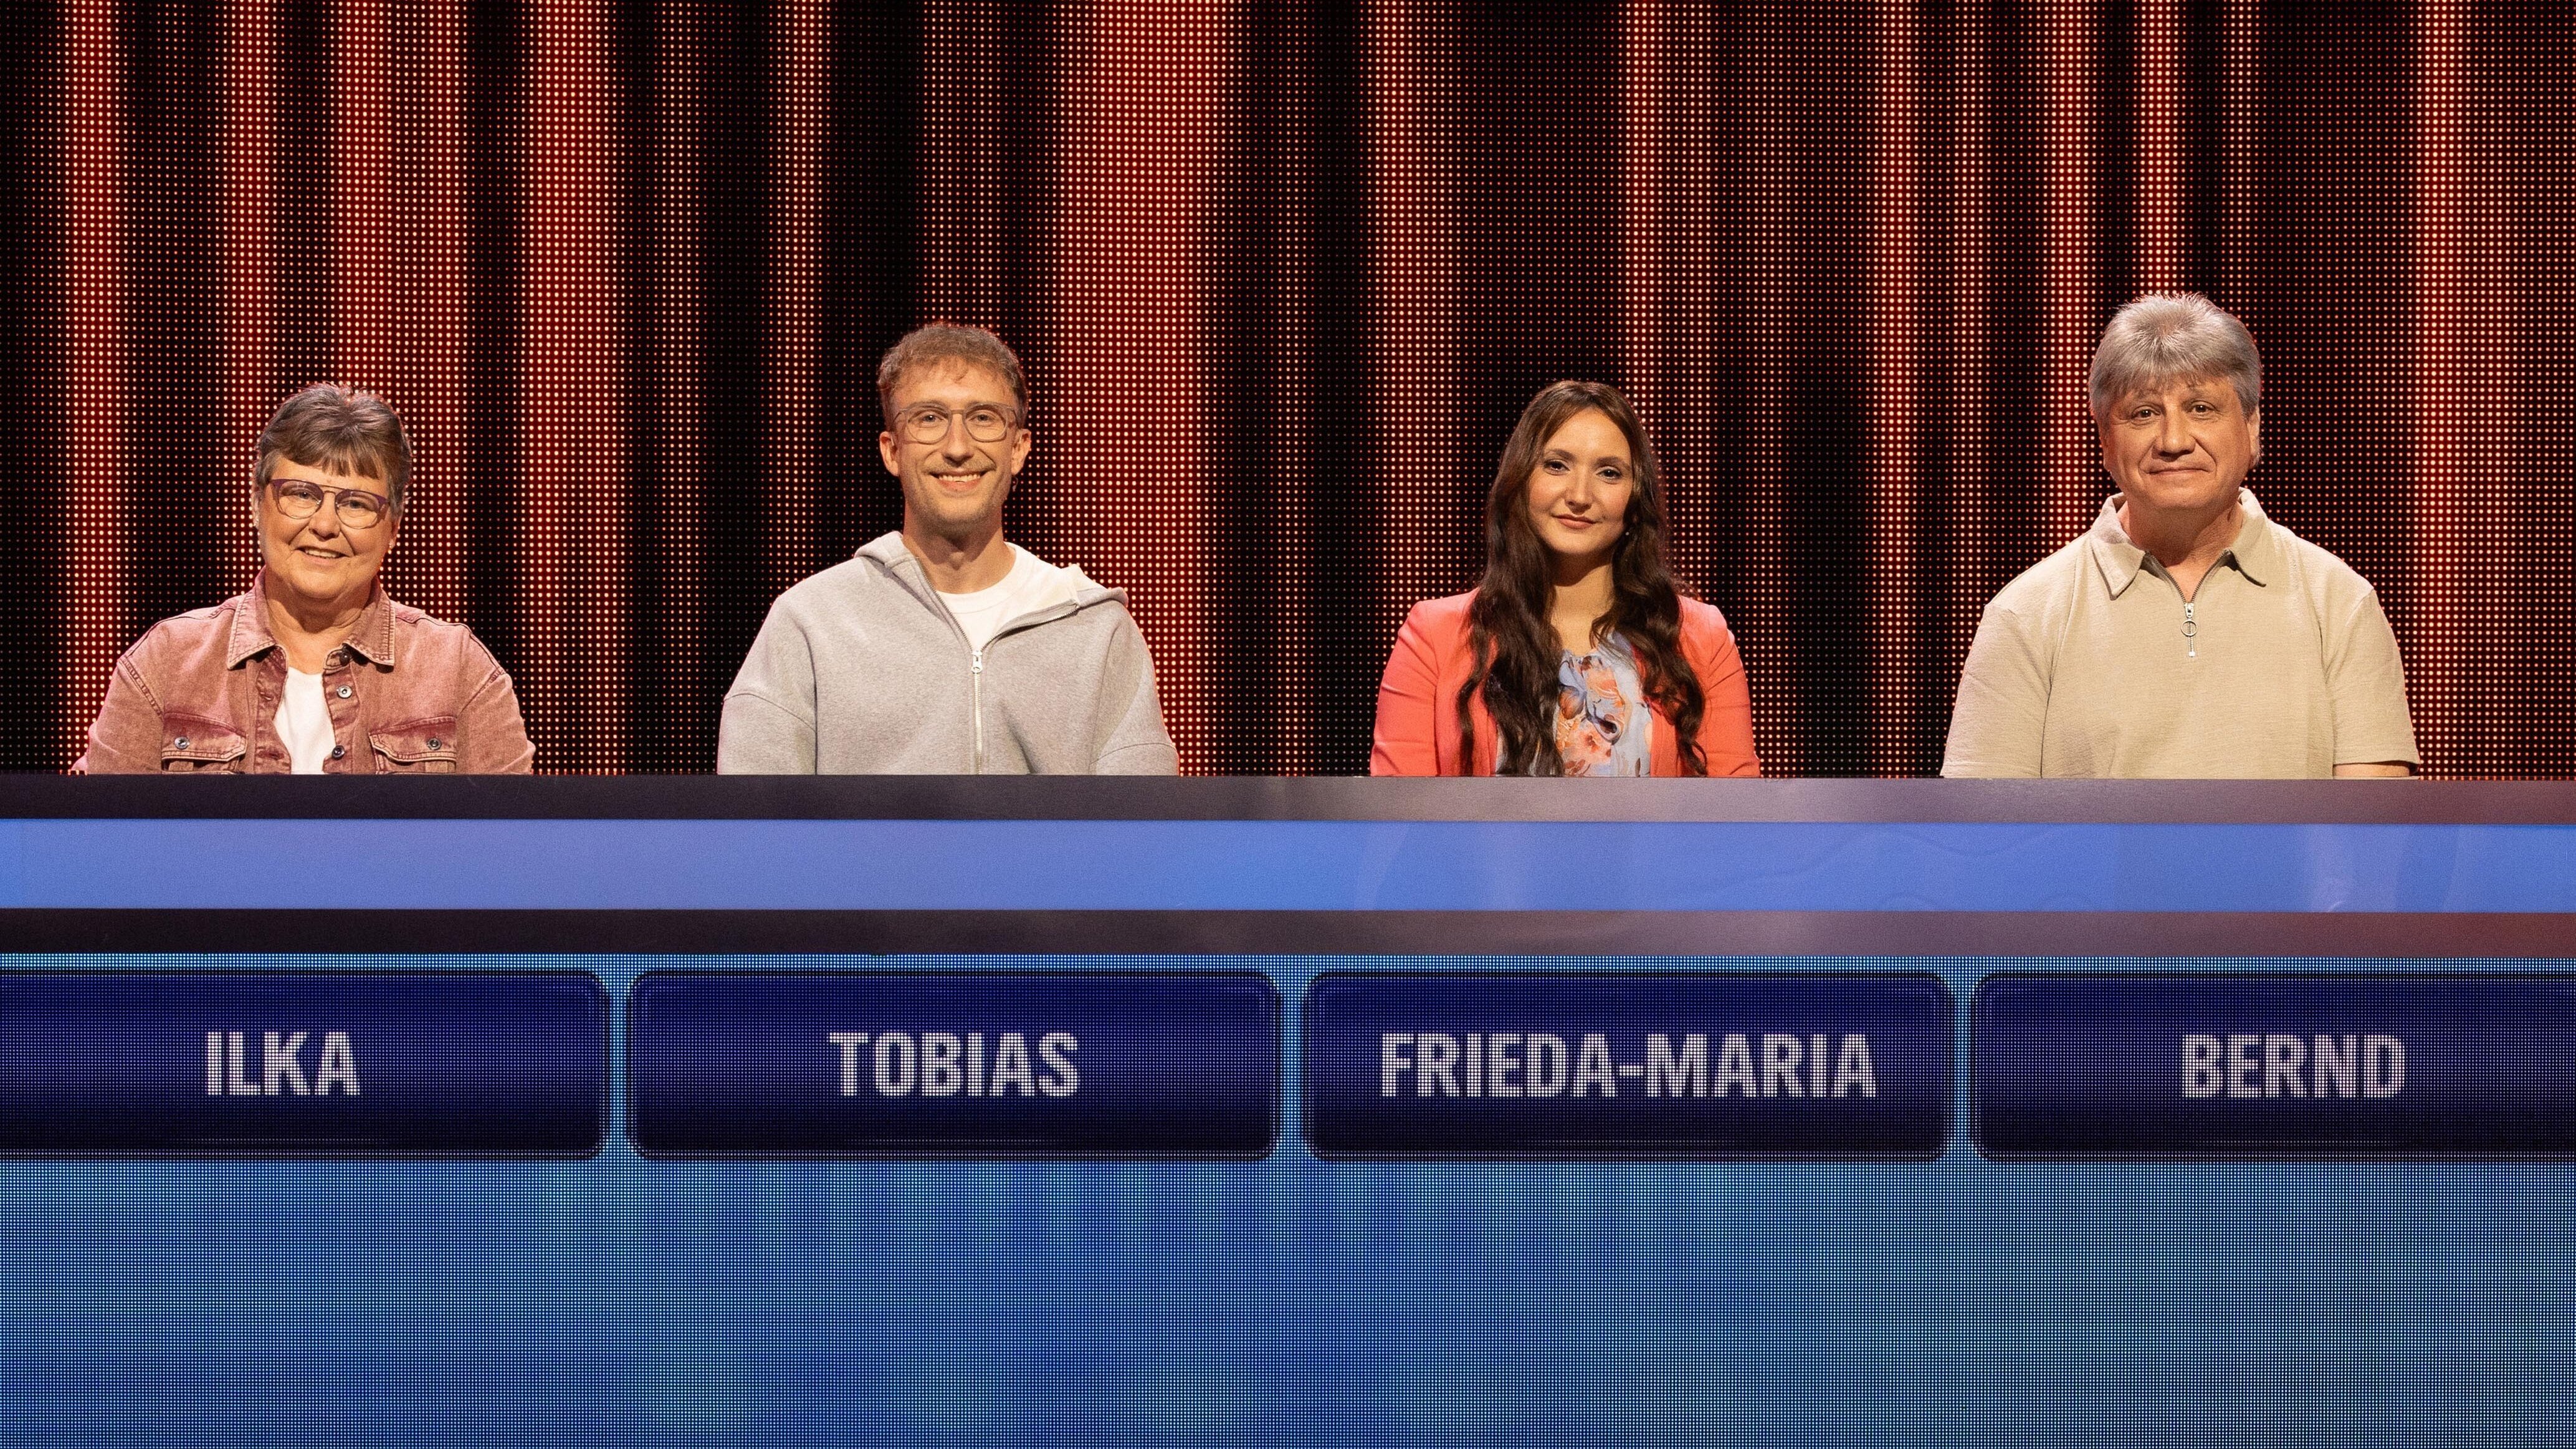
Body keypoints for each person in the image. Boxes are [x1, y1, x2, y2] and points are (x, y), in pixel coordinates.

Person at [1942, 293, 2418, 778]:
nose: (2174, 441)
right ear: (2105, 439)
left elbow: (2370, 820)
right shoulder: (2025, 614)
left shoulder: (2340, 603)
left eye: (2201, 408)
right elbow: (1983, 823)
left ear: (2252, 427)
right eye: (2144, 413)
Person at [719, 324, 1178, 773]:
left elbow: (1143, 818)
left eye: (983, 418)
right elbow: (754, 815)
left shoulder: (1096, 628)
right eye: (929, 419)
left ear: (1018, 449)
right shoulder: (811, 621)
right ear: (892, 450)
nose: (958, 447)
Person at [79, 385, 534, 774]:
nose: (325, 525)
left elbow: (514, 842)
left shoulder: (460, 673)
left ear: (393, 528)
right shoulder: (166, 663)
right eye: (301, 494)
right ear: (257, 505)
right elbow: (95, 837)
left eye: (355, 503)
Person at [1372, 380, 1760, 777]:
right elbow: (1397, 808)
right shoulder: (1434, 635)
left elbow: (1739, 807)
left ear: (1635, 499)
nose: (1579, 495)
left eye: (1609, 473)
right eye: (1557, 465)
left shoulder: (1700, 637)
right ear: (1521, 480)